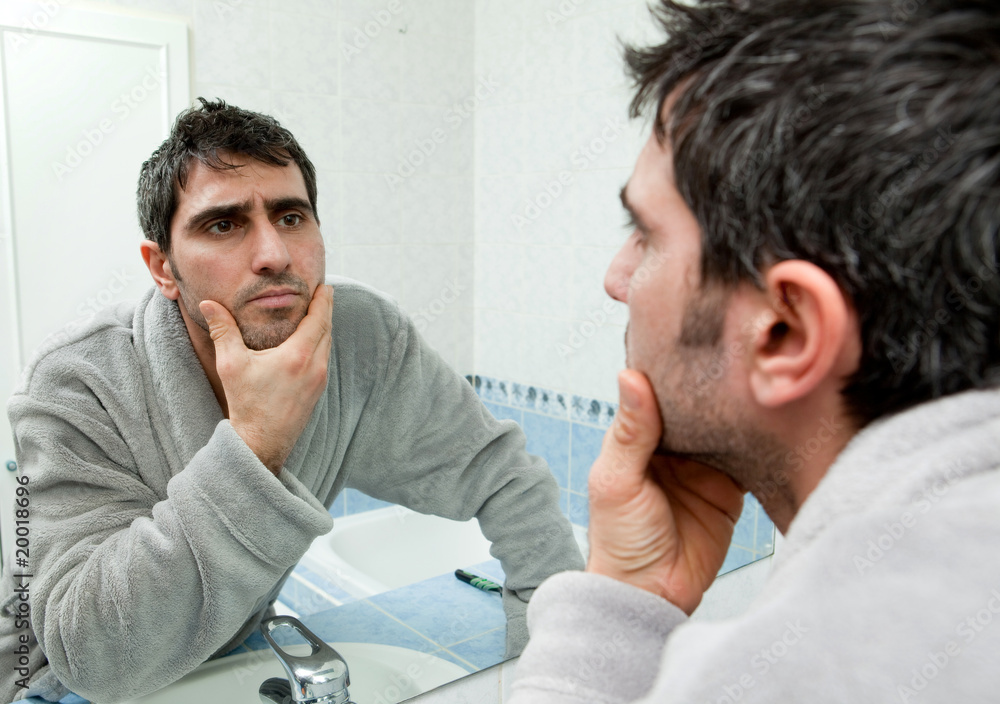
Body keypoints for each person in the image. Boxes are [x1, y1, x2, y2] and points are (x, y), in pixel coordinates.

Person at [0, 99, 583, 703]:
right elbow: (90, 658)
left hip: (229, 649)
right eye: (223, 224)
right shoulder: (76, 382)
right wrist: (255, 444)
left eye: (291, 216)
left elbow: (506, 480)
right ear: (162, 268)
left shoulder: (362, 338)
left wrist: (558, 656)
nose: (274, 253)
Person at [510, 0, 1000, 702]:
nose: (616, 278)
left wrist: (602, 612)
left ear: (785, 334)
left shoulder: (833, 658)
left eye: (644, 232)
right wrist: (628, 596)